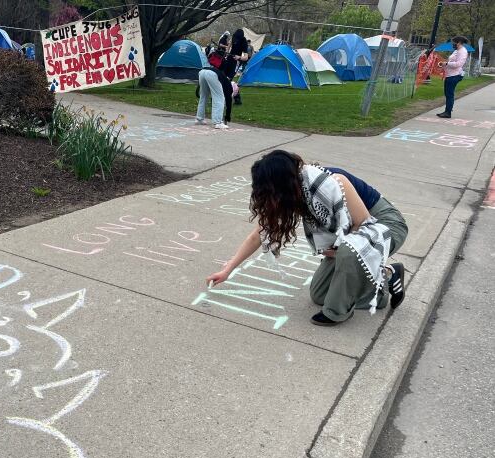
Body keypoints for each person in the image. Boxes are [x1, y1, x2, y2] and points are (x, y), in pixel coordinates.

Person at [206, 150, 409, 326]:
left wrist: (339, 248)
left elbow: (364, 224)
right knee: (319, 294)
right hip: (351, 235)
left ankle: (337, 313)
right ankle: (386, 281)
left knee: (347, 256)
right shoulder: (295, 193)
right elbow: (257, 235)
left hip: (385, 225)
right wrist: (227, 270)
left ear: (282, 184)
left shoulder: (333, 182)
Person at [196, 48, 230, 130]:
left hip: (202, 71)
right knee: (219, 97)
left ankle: (199, 118)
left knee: (203, 96)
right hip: (212, 73)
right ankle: (217, 122)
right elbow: (223, 75)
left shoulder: (211, 56)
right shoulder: (224, 61)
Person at [437, 36, 469, 118]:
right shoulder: (456, 51)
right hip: (450, 74)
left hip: (454, 75)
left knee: (449, 94)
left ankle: (448, 112)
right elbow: (451, 61)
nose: (452, 44)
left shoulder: (463, 51)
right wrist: (444, 65)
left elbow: (458, 64)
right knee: (448, 94)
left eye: (454, 42)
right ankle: (447, 111)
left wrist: (446, 64)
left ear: (458, 42)